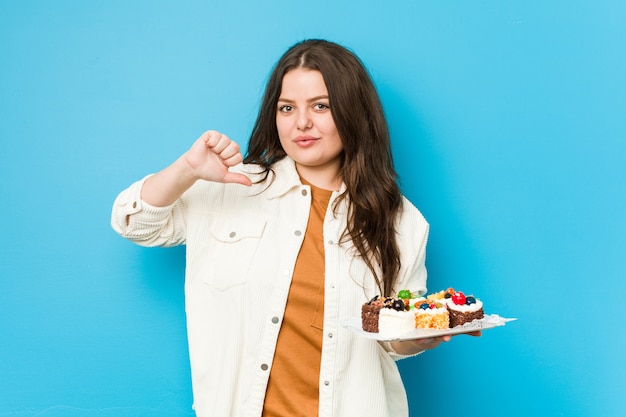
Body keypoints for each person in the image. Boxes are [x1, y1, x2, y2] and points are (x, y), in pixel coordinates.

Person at [111, 39, 477, 417]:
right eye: (287, 108)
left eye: (321, 106)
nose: (301, 123)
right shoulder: (231, 186)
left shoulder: (401, 220)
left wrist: (423, 334)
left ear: (354, 113)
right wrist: (186, 170)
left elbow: (391, 339)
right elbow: (134, 222)